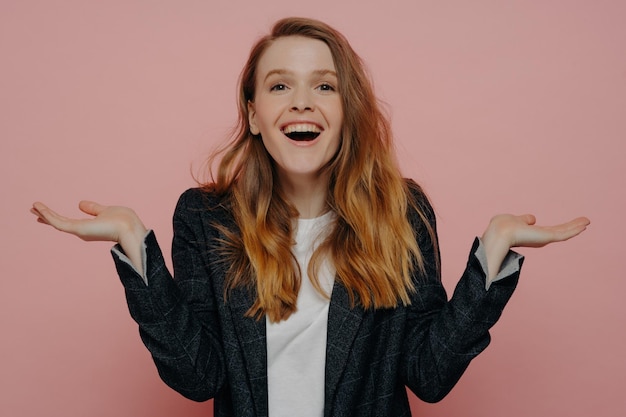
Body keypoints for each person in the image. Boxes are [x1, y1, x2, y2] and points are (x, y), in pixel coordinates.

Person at [31, 17, 589, 417]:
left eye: (324, 85)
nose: (302, 102)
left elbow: (429, 376)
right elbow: (198, 378)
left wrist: (489, 261)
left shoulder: (402, 211)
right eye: (280, 86)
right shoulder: (205, 218)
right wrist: (136, 247)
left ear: (347, 110)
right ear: (253, 114)